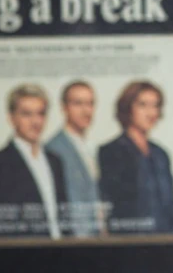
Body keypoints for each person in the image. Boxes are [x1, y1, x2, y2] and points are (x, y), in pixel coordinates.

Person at [0, 84, 69, 239]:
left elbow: (63, 215)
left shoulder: (55, 161)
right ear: (11, 118)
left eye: (40, 113)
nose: (35, 121)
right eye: (27, 114)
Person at [98, 81, 173, 235]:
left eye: (155, 105)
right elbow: (112, 209)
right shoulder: (111, 152)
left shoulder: (161, 154)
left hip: (165, 240)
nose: (151, 113)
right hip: (131, 240)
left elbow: (171, 207)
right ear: (128, 108)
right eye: (143, 105)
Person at [45, 80, 102, 237]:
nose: (86, 111)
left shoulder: (92, 147)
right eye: (78, 103)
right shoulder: (53, 149)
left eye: (90, 104)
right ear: (64, 107)